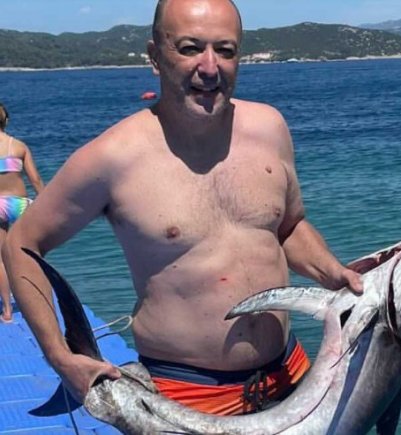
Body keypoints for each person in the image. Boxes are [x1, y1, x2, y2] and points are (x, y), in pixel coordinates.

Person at [2, 0, 362, 416]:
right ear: (155, 56)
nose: (209, 67)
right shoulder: (112, 158)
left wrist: (333, 272)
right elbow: (22, 243)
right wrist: (59, 356)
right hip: (187, 400)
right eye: (190, 48)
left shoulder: (270, 128)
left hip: (294, 378)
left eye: (225, 50)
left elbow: (288, 227)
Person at [0, 102, 45, 323]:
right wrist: (45, 202)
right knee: (29, 254)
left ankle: (7, 311)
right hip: (19, 203)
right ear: (6, 121)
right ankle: (38, 302)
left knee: (1, 259)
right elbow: (35, 179)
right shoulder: (18, 146)